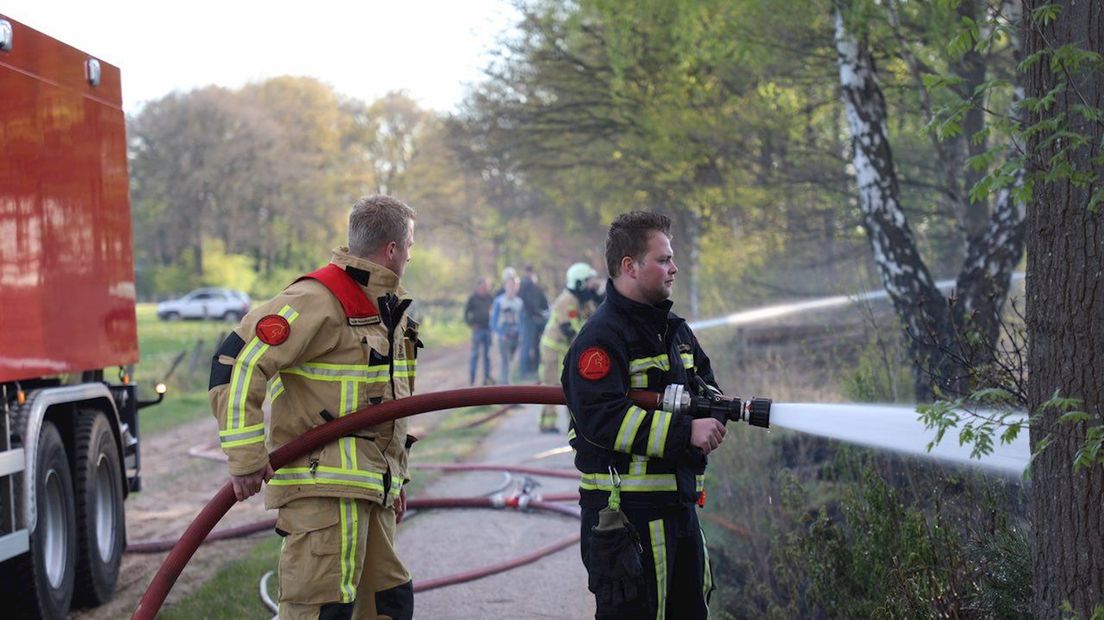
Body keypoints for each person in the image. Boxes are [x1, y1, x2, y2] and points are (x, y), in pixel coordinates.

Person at [208, 194, 419, 620]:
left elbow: (389, 404)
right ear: (392, 249)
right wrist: (246, 458)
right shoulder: (318, 300)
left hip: (370, 490)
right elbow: (238, 362)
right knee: (321, 611)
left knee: (389, 602)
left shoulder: (385, 310)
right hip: (322, 493)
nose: (411, 256)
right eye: (410, 246)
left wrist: (396, 479)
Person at [562, 211, 727, 619]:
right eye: (663, 259)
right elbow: (600, 417)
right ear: (629, 267)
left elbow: (707, 386)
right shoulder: (601, 338)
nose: (674, 268)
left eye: (671, 259)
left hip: (680, 509)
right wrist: (684, 432)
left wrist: (714, 410)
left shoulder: (675, 331)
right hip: (629, 519)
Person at [538, 262, 602, 432]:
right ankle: (547, 424)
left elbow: (595, 319)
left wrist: (598, 297)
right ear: (579, 282)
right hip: (553, 348)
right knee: (551, 385)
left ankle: (573, 423)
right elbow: (570, 329)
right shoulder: (566, 300)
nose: (591, 284)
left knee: (570, 384)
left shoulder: (583, 300)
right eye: (588, 281)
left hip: (566, 348)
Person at [490, 267, 524, 385]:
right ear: (505, 285)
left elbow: (521, 321)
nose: (512, 287)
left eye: (514, 284)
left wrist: (520, 334)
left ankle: (510, 388)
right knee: (505, 362)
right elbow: (493, 322)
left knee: (511, 362)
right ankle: (504, 391)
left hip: (515, 337)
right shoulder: (499, 301)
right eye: (510, 284)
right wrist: (501, 334)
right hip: (503, 337)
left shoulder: (519, 302)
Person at [517, 265, 549, 379]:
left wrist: (541, 312)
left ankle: (533, 368)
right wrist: (538, 313)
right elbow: (527, 302)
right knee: (527, 344)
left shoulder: (534, 286)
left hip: (535, 318)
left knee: (535, 344)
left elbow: (543, 301)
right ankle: (524, 372)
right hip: (528, 318)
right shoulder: (525, 284)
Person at [463, 276, 495, 386]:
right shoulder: (473, 298)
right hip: (478, 330)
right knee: (475, 355)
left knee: (487, 356)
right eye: (484, 286)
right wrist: (471, 324)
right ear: (479, 286)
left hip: (488, 329)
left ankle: (486, 379)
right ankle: (472, 379)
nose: (486, 288)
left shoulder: (490, 298)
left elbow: (495, 312)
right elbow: (466, 313)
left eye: (487, 286)